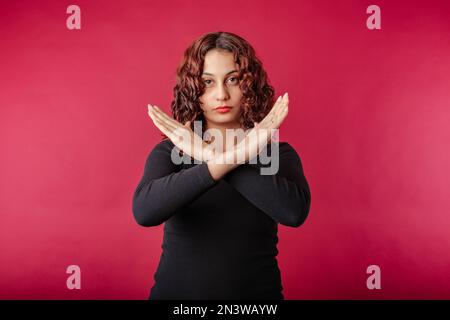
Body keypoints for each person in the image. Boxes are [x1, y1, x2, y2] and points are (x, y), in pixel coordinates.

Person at [132, 31, 311, 300]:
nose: (221, 94)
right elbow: (145, 212)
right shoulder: (171, 152)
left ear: (249, 85)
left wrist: (205, 153)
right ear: (194, 90)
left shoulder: (277, 154)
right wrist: (218, 157)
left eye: (233, 80)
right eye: (207, 82)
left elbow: (293, 212)